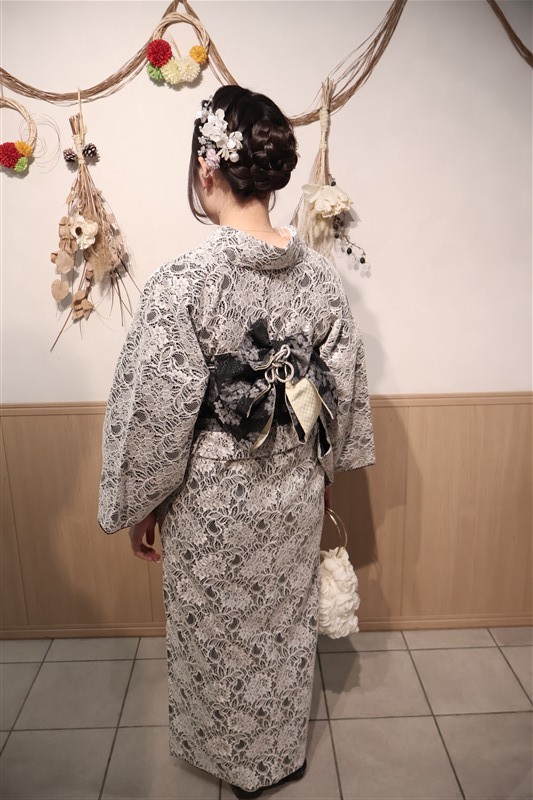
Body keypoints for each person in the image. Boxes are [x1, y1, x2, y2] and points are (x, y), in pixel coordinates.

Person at [98, 84, 376, 799]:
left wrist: (142, 506)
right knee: (281, 628)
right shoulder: (321, 281)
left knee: (215, 630)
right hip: (292, 489)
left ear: (206, 167)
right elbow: (338, 396)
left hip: (212, 495)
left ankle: (226, 759)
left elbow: (156, 411)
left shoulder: (184, 283)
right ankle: (276, 756)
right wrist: (324, 475)